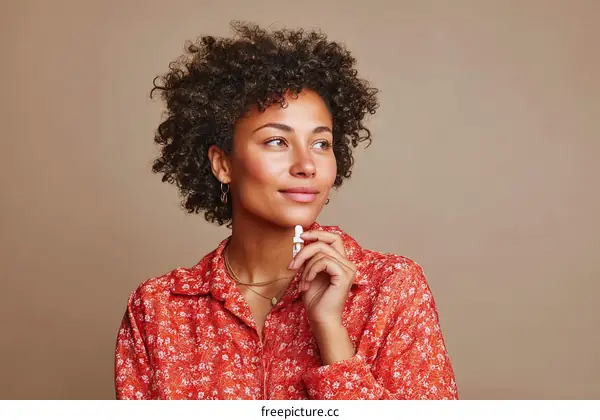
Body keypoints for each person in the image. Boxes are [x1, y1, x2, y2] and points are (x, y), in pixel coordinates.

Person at [114, 21, 458, 400]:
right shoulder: (159, 309)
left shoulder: (390, 289)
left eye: (322, 144)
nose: (307, 165)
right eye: (277, 141)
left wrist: (330, 330)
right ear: (222, 164)